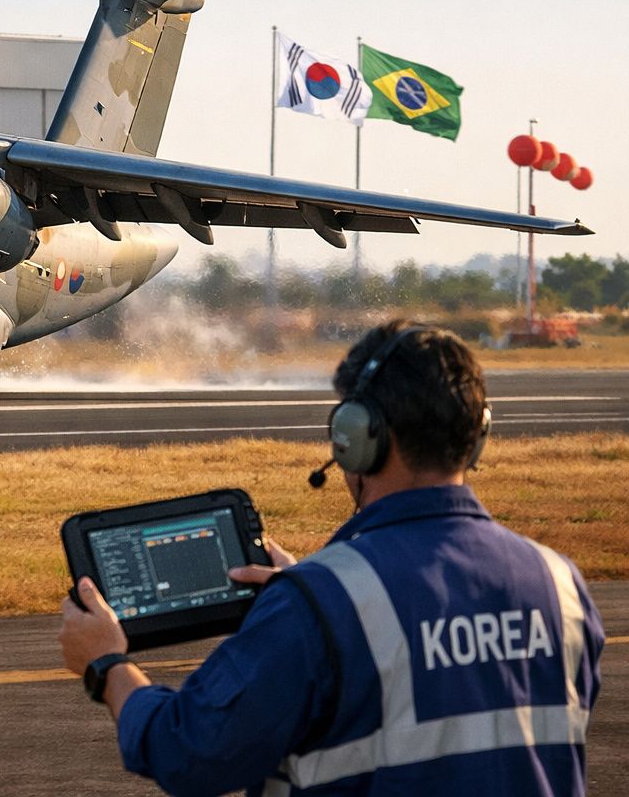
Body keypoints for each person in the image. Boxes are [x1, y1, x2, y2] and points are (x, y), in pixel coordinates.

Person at [59, 320, 604, 796]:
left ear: (355, 440)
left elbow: (190, 752)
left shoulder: (318, 607)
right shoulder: (560, 586)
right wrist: (322, 598)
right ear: (477, 436)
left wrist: (106, 666)